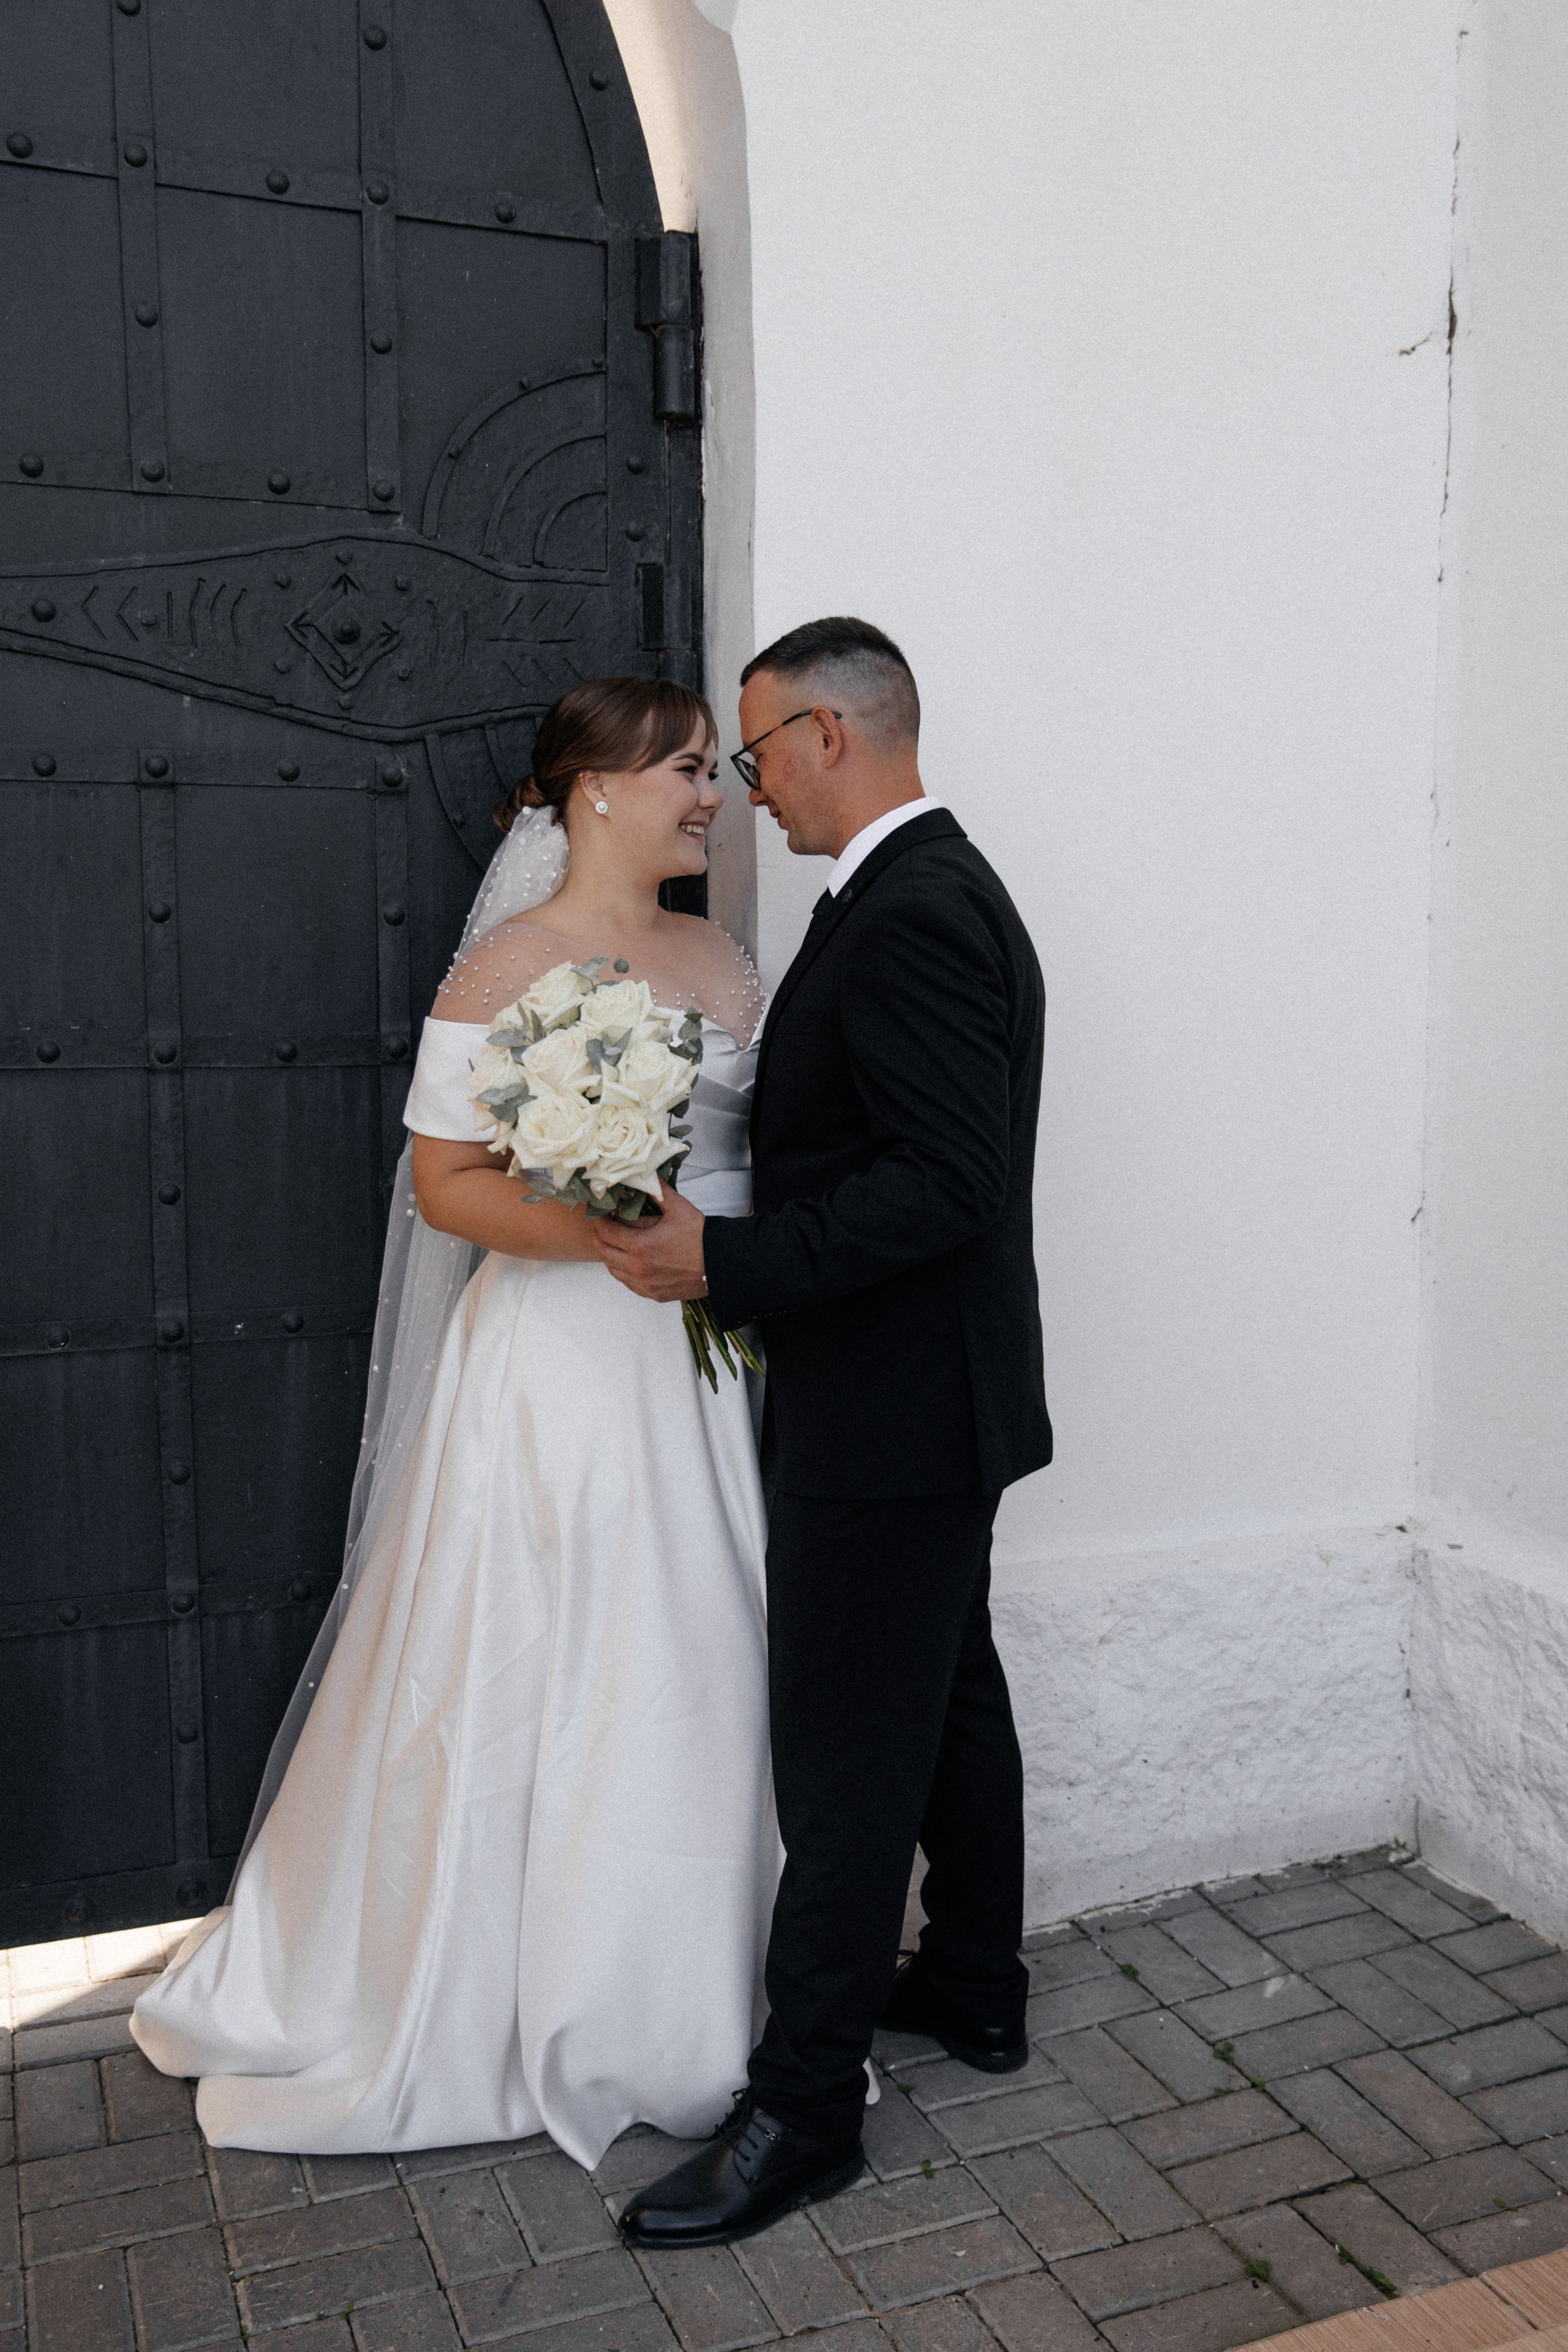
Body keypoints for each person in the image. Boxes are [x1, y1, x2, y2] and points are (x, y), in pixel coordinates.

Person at [131, 678, 783, 2168]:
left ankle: (681, 1993)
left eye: (711, 770)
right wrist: (620, 1228)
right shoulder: (507, 969)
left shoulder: (722, 959)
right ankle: (497, 1991)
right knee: (546, 1655)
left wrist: (716, 1260)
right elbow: (449, 1188)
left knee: (693, 1651)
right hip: (559, 1369)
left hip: (701, 1373)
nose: (710, 796)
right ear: (597, 789)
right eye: (687, 769)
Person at [596, 617, 1052, 2247]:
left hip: (891, 1405)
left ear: (833, 741)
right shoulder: (930, 892)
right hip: (944, 1394)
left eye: (761, 749)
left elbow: (943, 1185)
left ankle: (804, 2107)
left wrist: (724, 1258)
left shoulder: (918, 912)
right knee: (946, 1697)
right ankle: (980, 1985)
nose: (749, 785)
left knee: (848, 1757)